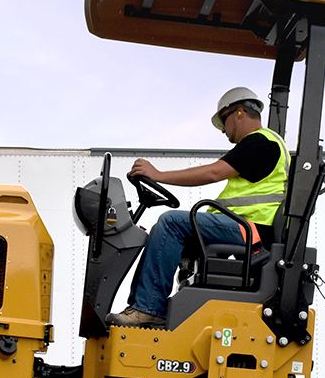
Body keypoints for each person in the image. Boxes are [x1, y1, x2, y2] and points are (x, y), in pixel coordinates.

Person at [107, 86, 289, 327]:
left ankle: (148, 308)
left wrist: (158, 175)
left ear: (240, 112)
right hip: (243, 227)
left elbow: (214, 172)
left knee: (171, 223)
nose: (223, 130)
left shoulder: (260, 143)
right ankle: (147, 307)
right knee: (162, 234)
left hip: (249, 230)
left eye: (223, 121)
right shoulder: (262, 144)